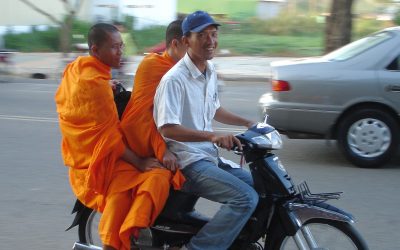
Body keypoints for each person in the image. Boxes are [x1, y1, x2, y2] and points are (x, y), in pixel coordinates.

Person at [55, 23, 184, 250]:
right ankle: (123, 236)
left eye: (121, 46)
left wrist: (107, 85)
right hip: (98, 159)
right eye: (114, 47)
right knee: (154, 177)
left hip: (101, 149)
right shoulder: (93, 84)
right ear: (95, 51)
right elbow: (108, 139)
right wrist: (140, 161)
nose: (120, 52)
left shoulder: (79, 68)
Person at [154, 11, 259, 249]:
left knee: (261, 187)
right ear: (185, 41)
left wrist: (249, 123)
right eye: (202, 35)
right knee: (244, 198)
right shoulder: (174, 80)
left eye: (213, 33)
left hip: (208, 155)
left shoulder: (209, 70)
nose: (210, 40)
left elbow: (214, 109)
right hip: (188, 162)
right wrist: (212, 135)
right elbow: (168, 128)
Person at [121, 19, 186, 173]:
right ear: (176, 44)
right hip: (143, 139)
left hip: (175, 139)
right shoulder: (152, 66)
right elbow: (143, 115)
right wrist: (161, 150)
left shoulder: (189, 69)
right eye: (190, 45)